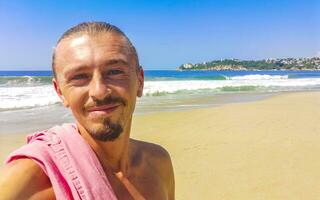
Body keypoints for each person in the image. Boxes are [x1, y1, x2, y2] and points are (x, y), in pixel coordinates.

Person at [0, 22, 175, 200]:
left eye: (114, 71)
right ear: (60, 92)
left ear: (140, 81)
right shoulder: (26, 183)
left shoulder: (158, 163)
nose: (99, 91)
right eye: (79, 76)